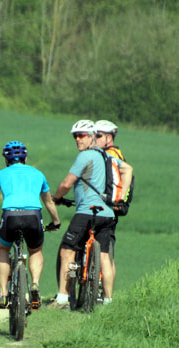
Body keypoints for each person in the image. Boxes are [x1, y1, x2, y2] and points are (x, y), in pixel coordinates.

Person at [0, 141, 61, 310]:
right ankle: (35, 284)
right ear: (25, 158)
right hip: (33, 216)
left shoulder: (0, 174)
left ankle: (3, 293)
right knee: (35, 250)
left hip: (10, 216)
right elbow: (49, 203)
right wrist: (56, 222)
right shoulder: (38, 174)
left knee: (3, 249)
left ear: (6, 159)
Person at [50, 120, 117, 310]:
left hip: (86, 211)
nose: (77, 139)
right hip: (108, 213)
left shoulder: (86, 155)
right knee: (105, 256)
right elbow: (127, 170)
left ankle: (62, 299)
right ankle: (108, 301)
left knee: (67, 250)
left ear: (91, 137)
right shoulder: (107, 156)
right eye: (75, 136)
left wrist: (57, 197)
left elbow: (66, 183)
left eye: (81, 135)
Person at [94, 119, 134, 281]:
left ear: (109, 138)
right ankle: (104, 293)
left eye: (98, 135)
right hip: (113, 206)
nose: (94, 139)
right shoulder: (116, 154)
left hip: (107, 205)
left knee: (105, 252)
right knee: (107, 250)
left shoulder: (109, 155)